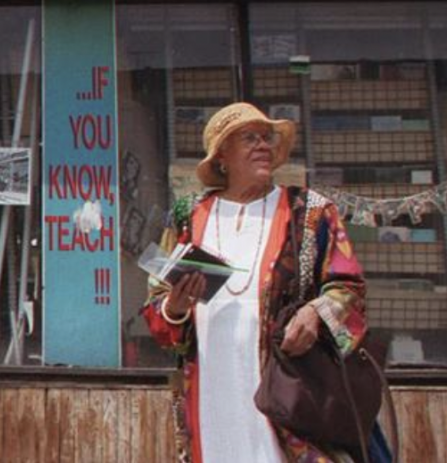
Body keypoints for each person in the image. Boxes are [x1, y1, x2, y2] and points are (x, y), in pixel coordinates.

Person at [143, 102, 388, 463]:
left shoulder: (311, 211)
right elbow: (158, 305)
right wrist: (175, 307)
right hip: (212, 386)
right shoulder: (188, 215)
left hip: (289, 388)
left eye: (267, 137)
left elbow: (349, 287)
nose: (263, 145)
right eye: (249, 138)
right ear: (222, 155)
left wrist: (315, 313)